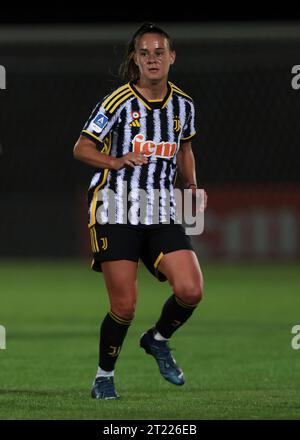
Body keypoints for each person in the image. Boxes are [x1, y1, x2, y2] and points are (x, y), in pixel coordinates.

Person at [73, 22, 207, 400]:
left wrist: (192, 186)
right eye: (144, 52)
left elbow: (185, 149)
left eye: (159, 52)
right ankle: (104, 376)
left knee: (191, 289)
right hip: (114, 208)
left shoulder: (183, 105)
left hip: (161, 209)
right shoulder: (117, 102)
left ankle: (158, 339)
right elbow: (81, 148)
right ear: (135, 58)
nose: (152, 58)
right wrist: (116, 161)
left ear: (172, 57)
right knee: (125, 306)